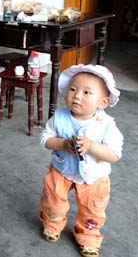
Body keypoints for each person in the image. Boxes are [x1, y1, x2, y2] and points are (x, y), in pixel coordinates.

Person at [39, 64, 124, 257]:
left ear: (102, 102)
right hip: (61, 170)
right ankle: (52, 223)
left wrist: (92, 147)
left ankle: (88, 236)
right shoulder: (59, 117)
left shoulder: (107, 126)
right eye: (73, 89)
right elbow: (44, 139)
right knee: (53, 201)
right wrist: (61, 144)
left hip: (95, 178)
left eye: (87, 92)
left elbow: (115, 154)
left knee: (92, 210)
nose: (77, 96)